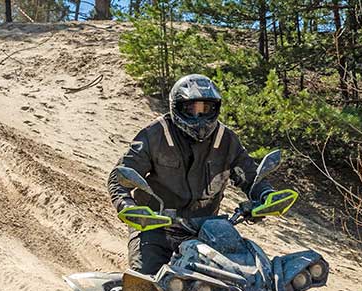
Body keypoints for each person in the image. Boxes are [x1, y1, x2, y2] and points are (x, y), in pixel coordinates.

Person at [107, 73, 274, 275]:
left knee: (242, 277)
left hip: (206, 229)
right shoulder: (156, 135)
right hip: (156, 228)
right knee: (144, 283)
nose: (200, 116)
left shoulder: (226, 140)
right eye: (192, 109)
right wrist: (129, 208)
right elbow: (119, 178)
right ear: (177, 107)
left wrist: (265, 196)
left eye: (206, 109)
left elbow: (250, 176)